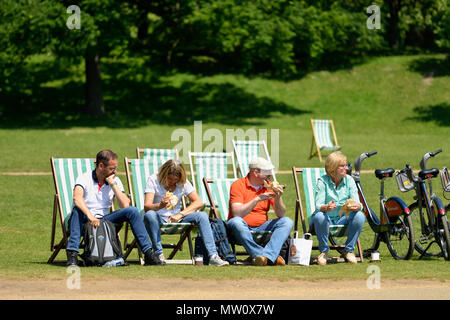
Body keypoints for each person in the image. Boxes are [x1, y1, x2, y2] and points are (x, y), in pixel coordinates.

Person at [66, 149, 158, 266]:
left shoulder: (115, 180)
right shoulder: (84, 178)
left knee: (133, 211)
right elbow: (77, 198)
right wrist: (91, 217)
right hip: (84, 218)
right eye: (111, 168)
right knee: (77, 210)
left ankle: (148, 253)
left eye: (115, 168)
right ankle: (72, 255)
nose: (115, 171)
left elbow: (125, 205)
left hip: (105, 220)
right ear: (100, 166)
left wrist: (113, 184)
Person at [143, 159, 229, 266]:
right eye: (170, 179)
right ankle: (158, 254)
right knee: (150, 215)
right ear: (163, 174)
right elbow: (147, 206)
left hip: (177, 218)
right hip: (157, 218)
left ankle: (213, 256)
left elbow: (198, 202)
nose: (172, 182)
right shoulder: (153, 180)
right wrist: (160, 205)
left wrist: (180, 214)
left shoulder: (182, 182)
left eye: (175, 180)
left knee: (202, 215)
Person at [227, 157, 293, 266]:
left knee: (287, 221)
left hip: (262, 227)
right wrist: (258, 199)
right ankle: (268, 256)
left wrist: (278, 197)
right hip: (240, 229)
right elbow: (237, 213)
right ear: (256, 172)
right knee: (236, 222)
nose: (270, 174)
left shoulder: (268, 186)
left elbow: (281, 214)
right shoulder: (238, 185)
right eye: (267, 172)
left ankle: (264, 257)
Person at [312, 151, 365, 265]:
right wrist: (326, 207)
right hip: (327, 218)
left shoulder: (349, 180)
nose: (346, 168)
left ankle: (348, 250)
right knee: (319, 216)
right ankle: (324, 252)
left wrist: (357, 206)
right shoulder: (322, 181)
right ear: (333, 168)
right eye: (343, 166)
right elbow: (318, 205)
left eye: (346, 165)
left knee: (360, 215)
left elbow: (358, 203)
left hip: (343, 218)